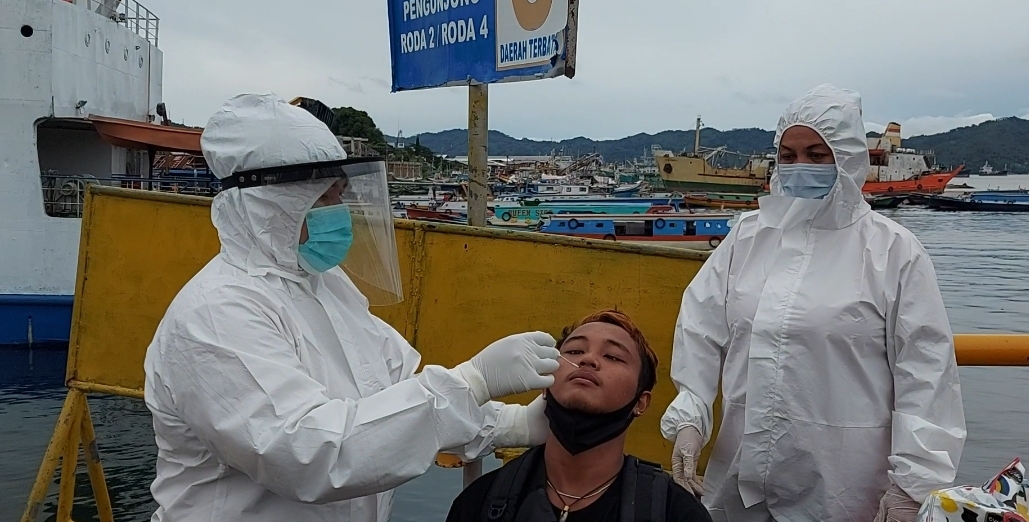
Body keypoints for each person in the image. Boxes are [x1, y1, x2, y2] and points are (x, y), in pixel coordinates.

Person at [143, 93, 561, 522]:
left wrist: (514, 424)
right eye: (324, 197)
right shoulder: (216, 314)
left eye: (340, 194)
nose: (338, 212)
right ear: (269, 204)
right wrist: (473, 380)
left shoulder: (322, 286)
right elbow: (307, 455)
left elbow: (396, 394)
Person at [661, 84, 967, 522]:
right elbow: (700, 327)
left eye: (817, 155)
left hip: (845, 489)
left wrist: (914, 485)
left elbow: (926, 374)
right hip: (740, 485)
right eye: (788, 155)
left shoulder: (893, 252)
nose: (799, 165)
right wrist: (691, 414)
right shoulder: (748, 237)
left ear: (848, 158)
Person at [446, 309, 711, 522]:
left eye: (613, 356)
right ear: (546, 385)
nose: (589, 360)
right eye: (574, 352)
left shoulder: (674, 512)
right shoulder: (481, 502)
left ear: (640, 403)